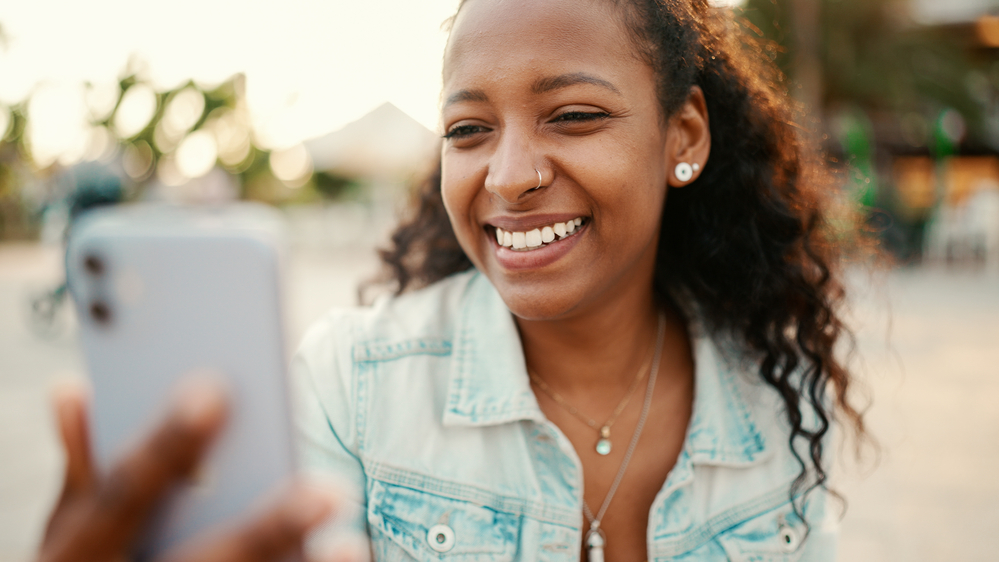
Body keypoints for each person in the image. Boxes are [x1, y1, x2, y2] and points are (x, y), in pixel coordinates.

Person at [39, 0, 865, 560]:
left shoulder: (773, 386)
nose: (506, 176)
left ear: (682, 134)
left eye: (573, 114)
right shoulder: (348, 388)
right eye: (468, 129)